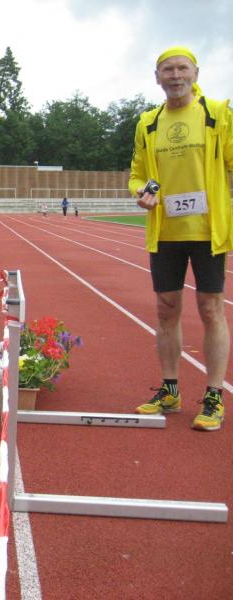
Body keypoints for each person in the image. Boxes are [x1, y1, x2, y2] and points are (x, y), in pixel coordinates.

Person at [130, 46, 233, 432]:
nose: (176, 76)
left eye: (182, 69)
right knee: (166, 309)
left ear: (195, 73)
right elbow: (137, 174)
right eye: (168, 70)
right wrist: (141, 192)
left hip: (208, 230)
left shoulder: (217, 114)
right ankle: (170, 389)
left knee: (211, 309)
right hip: (166, 231)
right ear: (157, 78)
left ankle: (213, 396)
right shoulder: (148, 123)